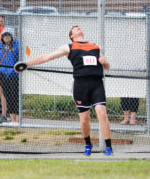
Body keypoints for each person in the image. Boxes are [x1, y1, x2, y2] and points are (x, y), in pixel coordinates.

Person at [18, 25, 113, 156]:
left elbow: (106, 66)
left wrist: (105, 62)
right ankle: (87, 143)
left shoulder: (96, 47)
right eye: (75, 29)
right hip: (80, 85)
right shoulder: (68, 47)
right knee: (85, 119)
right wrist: (27, 64)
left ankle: (108, 147)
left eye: (79, 27)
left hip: (97, 83)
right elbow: (47, 57)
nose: (78, 28)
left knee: (101, 113)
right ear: (71, 36)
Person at [0, 30, 20, 124]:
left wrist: (14, 70)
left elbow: (19, 58)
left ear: (11, 36)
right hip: (3, 74)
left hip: (14, 74)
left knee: (15, 97)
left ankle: (18, 120)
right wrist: (1, 69)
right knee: (8, 96)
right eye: (4, 35)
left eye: (8, 35)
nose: (6, 37)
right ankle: (12, 119)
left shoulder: (16, 45)